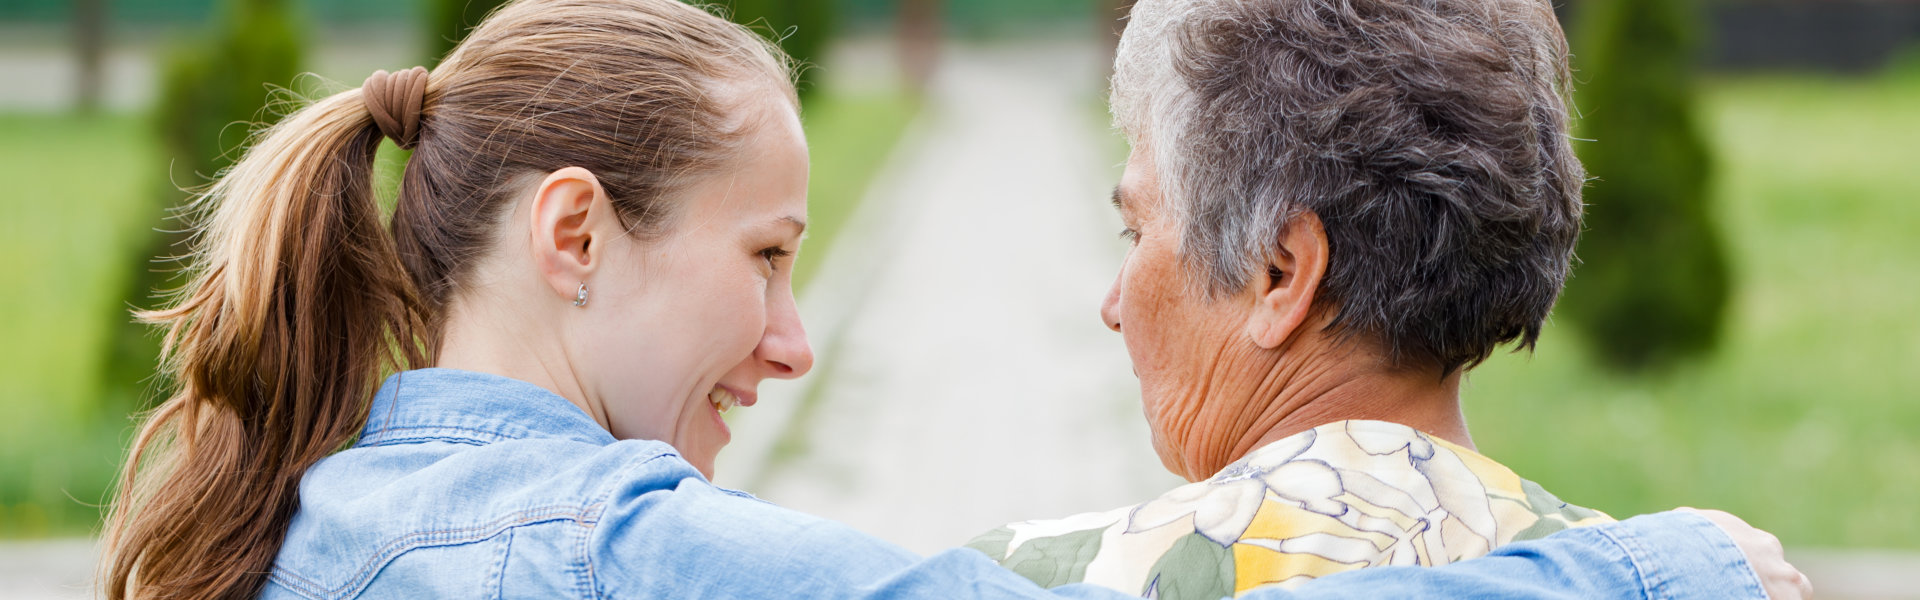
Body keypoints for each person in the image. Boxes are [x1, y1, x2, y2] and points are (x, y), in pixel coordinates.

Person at [98, 0, 1805, 598]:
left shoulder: (344, 511)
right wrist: (1669, 565)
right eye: (767, 255)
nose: (794, 336)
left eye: (1129, 219)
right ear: (571, 235)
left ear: (1283, 271)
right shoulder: (595, 550)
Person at [966, 0, 1810, 597]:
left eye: (1136, 233)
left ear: (1280, 272)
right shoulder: (1705, 577)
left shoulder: (1032, 579)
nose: (1114, 303)